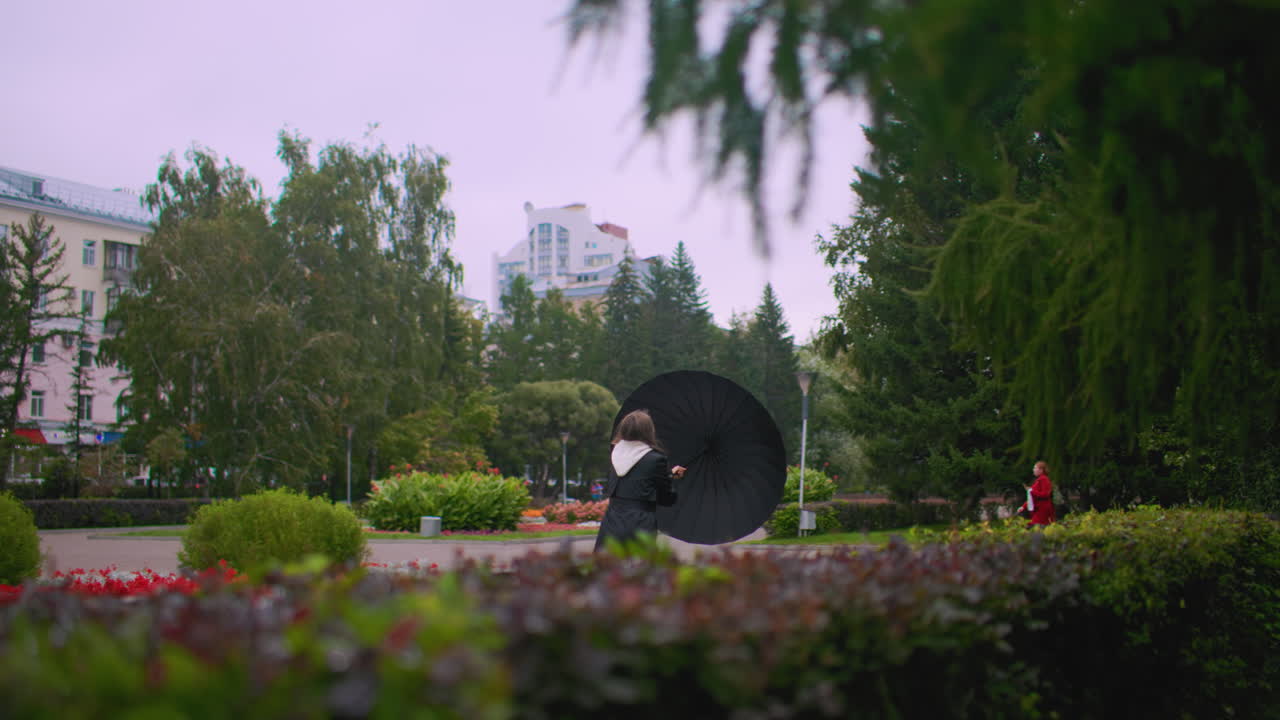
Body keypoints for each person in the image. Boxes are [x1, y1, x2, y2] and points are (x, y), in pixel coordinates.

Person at [594, 409, 686, 551]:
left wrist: (667, 475)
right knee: (639, 570)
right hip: (640, 523)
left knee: (608, 568)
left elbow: (631, 482)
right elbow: (667, 499)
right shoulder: (656, 459)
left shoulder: (615, 453)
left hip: (611, 521)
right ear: (648, 431)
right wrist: (671, 479)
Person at [1017, 460, 1056, 527]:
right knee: (1036, 526)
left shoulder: (1044, 479)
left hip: (1042, 509)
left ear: (1041, 470)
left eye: (1035, 468)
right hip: (1038, 509)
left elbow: (1045, 494)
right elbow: (1032, 498)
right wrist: (1023, 507)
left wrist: (1031, 491)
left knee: (1037, 526)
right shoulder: (1039, 480)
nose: (1033, 470)